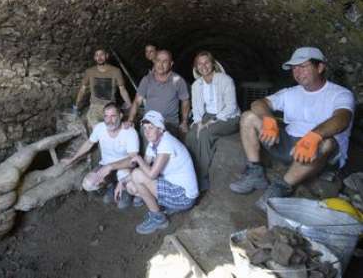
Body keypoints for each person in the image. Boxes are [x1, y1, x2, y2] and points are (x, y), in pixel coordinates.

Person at [229, 47, 355, 211]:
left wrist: (314, 136)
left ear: (320, 67)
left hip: (318, 153)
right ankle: (255, 172)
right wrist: (269, 120)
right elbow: (259, 103)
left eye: (303, 66)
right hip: (289, 144)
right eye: (294, 68)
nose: (297, 72)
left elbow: (342, 118)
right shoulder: (291, 93)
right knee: (248, 117)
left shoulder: (340, 94)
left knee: (327, 143)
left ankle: (281, 187)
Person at [124, 110, 199, 234]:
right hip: (174, 187)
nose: (147, 132)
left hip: (184, 196)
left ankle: (158, 218)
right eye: (145, 128)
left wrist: (138, 159)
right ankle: (165, 206)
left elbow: (151, 174)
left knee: (137, 175)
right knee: (132, 183)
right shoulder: (154, 142)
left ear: (160, 129)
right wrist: (123, 181)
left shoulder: (166, 143)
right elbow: (146, 165)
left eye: (151, 128)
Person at [62, 102, 140, 209]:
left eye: (113, 116)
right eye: (106, 116)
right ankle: (111, 184)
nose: (109, 120)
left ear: (120, 116)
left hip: (124, 168)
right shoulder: (100, 127)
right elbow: (89, 143)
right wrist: (72, 159)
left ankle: (125, 187)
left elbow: (133, 161)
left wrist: (111, 166)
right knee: (88, 184)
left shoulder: (130, 132)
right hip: (105, 166)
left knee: (123, 204)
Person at [185, 51, 241, 191]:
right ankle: (189, 172)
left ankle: (202, 176)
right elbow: (197, 107)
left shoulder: (225, 80)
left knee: (205, 134)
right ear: (196, 67)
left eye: (207, 62)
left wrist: (211, 122)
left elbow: (231, 106)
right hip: (207, 115)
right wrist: (198, 122)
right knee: (191, 135)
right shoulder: (196, 85)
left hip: (229, 116)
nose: (204, 66)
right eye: (200, 63)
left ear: (213, 64)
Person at [125, 50, 191, 139]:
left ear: (171, 64)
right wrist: (130, 120)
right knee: (144, 133)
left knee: (163, 139)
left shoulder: (178, 80)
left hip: (169, 123)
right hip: (149, 121)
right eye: (158, 60)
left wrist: (184, 122)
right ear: (155, 62)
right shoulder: (147, 80)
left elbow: (185, 101)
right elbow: (137, 101)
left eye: (165, 61)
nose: (161, 64)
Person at [74, 48, 132, 128]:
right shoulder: (90, 71)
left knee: (113, 128)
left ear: (106, 56)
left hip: (110, 105)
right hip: (95, 106)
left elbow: (122, 89)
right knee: (96, 129)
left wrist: (129, 104)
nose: (99, 57)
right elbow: (82, 89)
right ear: (95, 58)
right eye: (97, 55)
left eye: (102, 54)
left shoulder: (116, 71)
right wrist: (76, 106)